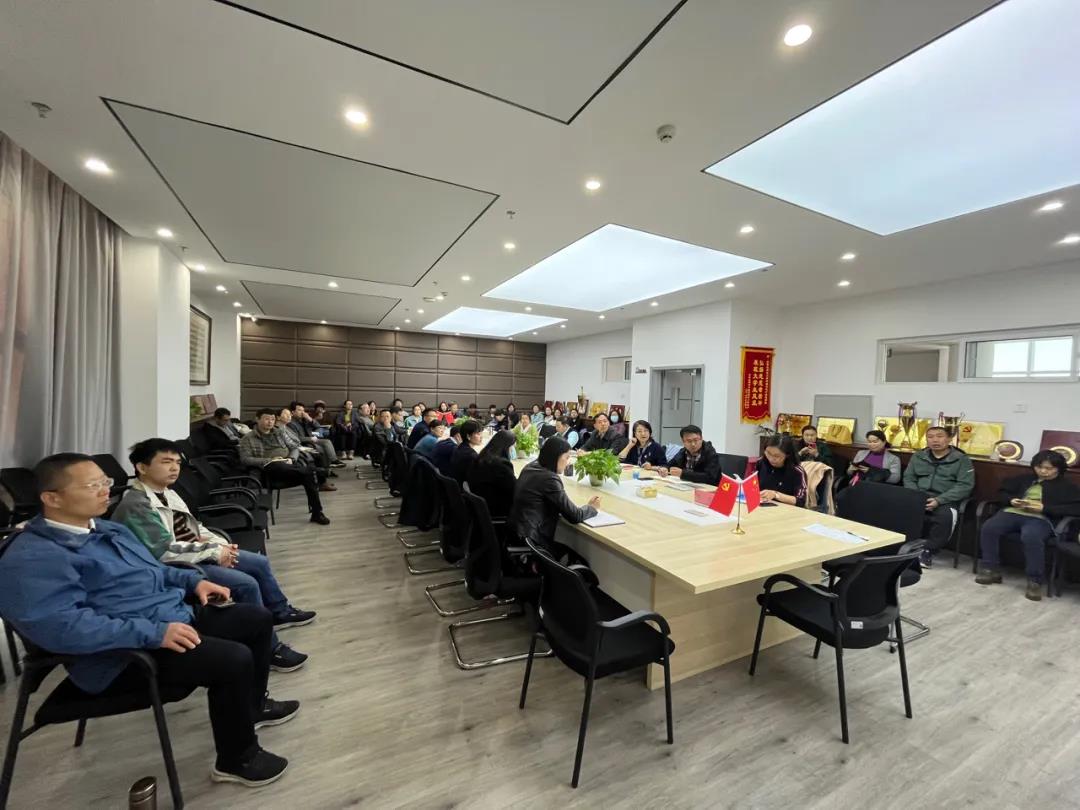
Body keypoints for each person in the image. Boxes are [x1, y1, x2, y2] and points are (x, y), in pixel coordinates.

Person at [0, 453, 296, 786]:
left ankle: (252, 709)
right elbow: (64, 628)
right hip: (117, 655)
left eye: (105, 482)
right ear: (52, 498)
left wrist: (193, 582)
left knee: (255, 619)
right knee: (233, 659)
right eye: (92, 485)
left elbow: (155, 570)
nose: (105, 491)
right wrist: (154, 633)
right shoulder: (31, 558)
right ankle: (237, 758)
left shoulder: (107, 529)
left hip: (168, 617)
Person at [112, 439, 314, 673]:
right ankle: (268, 649)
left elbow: (195, 527)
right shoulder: (137, 505)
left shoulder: (167, 492)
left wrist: (222, 545)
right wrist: (216, 552)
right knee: (246, 584)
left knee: (259, 562)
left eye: (177, 462)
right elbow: (164, 551)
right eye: (166, 462)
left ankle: (279, 612)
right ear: (141, 467)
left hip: (196, 552)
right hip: (176, 566)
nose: (174, 468)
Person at [975, 450, 1080, 600]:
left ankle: (1034, 581)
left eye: (1049, 468)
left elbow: (1075, 509)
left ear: (1059, 468)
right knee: (990, 527)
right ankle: (990, 569)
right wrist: (1011, 500)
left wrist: (1044, 508)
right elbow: (1002, 493)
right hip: (1013, 512)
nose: (1043, 471)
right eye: (1039, 467)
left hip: (1042, 518)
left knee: (1031, 536)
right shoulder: (1023, 479)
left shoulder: (1067, 487)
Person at [509, 436, 600, 557]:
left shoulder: (531, 466)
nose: (568, 462)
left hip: (517, 533)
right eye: (566, 457)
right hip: (534, 542)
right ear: (556, 456)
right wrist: (591, 508)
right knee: (580, 560)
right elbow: (575, 515)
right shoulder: (549, 479)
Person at [240, 408, 331, 524]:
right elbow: (245, 459)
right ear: (257, 419)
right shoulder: (248, 438)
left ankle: (317, 514)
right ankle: (315, 471)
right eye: (267, 419)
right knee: (282, 466)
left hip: (289, 467)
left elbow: (294, 447)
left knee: (308, 476)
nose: (270, 422)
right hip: (268, 471)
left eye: (272, 419)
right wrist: (270, 460)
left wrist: (291, 459)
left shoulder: (279, 433)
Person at [903, 426, 976, 567]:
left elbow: (965, 485)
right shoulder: (918, 456)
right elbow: (909, 478)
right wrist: (917, 496)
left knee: (946, 517)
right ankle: (903, 546)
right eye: (930, 437)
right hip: (919, 495)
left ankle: (928, 550)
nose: (935, 440)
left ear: (949, 439)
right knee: (897, 509)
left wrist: (939, 500)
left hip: (946, 499)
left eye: (939, 436)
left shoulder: (961, 459)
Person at [277, 408, 335, 490]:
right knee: (318, 455)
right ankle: (321, 482)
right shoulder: (279, 429)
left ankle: (322, 481)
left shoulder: (287, 427)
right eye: (286, 414)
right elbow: (289, 443)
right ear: (278, 417)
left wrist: (309, 419)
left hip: (299, 446)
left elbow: (296, 438)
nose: (289, 416)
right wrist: (300, 447)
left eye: (289, 414)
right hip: (293, 450)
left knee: (320, 452)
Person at [467, 429, 518, 519]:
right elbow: (514, 489)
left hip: (480, 505)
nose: (513, 450)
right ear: (507, 446)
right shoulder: (501, 464)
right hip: (496, 508)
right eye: (512, 447)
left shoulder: (483, 455)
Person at [655, 425, 720, 484]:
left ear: (701, 439)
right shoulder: (683, 451)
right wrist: (664, 469)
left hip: (707, 488)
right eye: (689, 441)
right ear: (683, 441)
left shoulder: (710, 453)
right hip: (688, 485)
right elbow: (670, 465)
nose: (693, 444)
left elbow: (711, 477)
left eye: (696, 440)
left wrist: (683, 474)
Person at [287, 401, 343, 469]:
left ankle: (334, 461)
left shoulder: (305, 419)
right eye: (299, 410)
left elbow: (318, 426)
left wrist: (310, 419)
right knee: (320, 448)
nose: (302, 412)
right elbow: (296, 438)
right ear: (293, 412)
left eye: (303, 410)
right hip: (303, 442)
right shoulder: (291, 423)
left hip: (312, 437)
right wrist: (310, 439)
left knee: (327, 441)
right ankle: (326, 466)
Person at [755, 435, 808, 507]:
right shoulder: (761, 463)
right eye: (768, 453)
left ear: (787, 455)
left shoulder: (797, 471)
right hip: (762, 506)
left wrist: (775, 495)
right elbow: (752, 485)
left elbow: (800, 500)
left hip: (786, 510)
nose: (771, 458)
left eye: (777, 456)